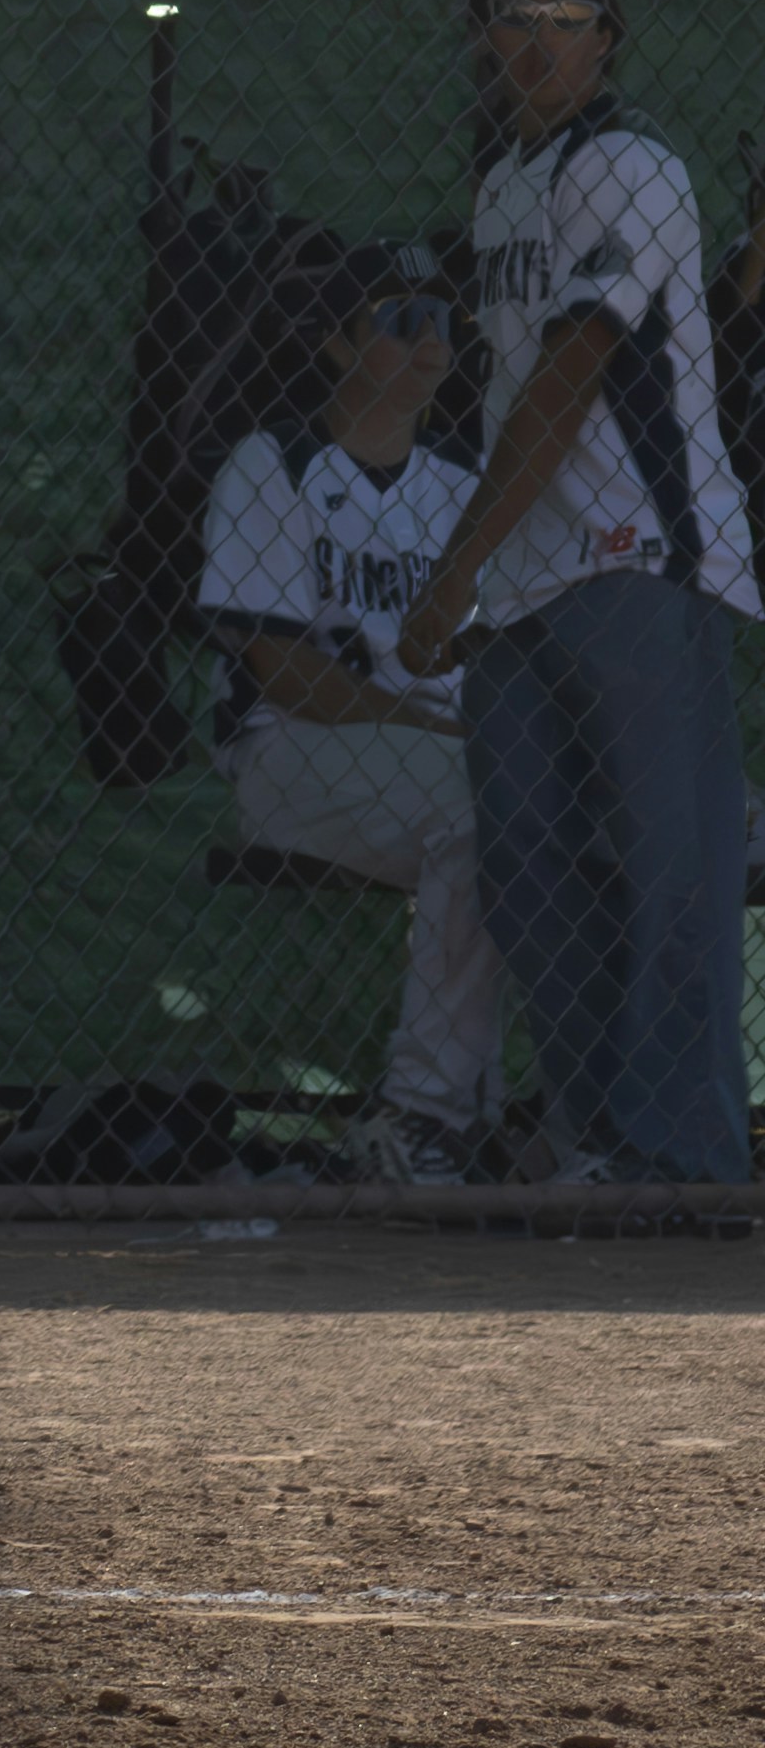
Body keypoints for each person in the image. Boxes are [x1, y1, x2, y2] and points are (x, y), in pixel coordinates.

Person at [400, 0, 757, 1204]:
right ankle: (606, 1145)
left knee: (671, 872)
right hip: (527, 582)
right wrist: (483, 575)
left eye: (565, 17)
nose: (536, 39)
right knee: (534, 869)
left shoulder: (632, 165)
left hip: (639, 561)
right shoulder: (507, 181)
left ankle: (687, 1164)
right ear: (483, 29)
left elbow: (570, 378)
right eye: (513, 11)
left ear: (608, 35)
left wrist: (449, 572)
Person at [194, 243, 502, 1183]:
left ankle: (582, 1119)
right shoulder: (273, 462)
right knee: (488, 805)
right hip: (293, 752)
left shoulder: (468, 479)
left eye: (441, 320)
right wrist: (432, 730)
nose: (428, 341)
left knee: (649, 814)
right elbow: (281, 670)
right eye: (397, 319)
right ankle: (421, 1115)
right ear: (334, 344)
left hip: (447, 752)